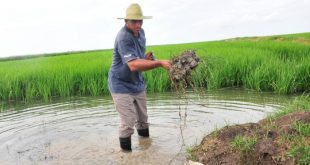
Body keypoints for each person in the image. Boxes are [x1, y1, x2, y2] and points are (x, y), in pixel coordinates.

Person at [108, 3, 171, 151]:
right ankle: (127, 157)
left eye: (140, 21)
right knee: (127, 122)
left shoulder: (141, 33)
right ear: (126, 21)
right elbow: (133, 65)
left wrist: (145, 58)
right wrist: (159, 63)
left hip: (137, 82)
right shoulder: (123, 37)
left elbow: (136, 59)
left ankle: (146, 150)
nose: (137, 24)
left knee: (143, 119)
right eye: (133, 21)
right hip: (120, 84)